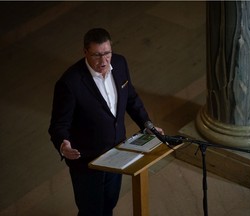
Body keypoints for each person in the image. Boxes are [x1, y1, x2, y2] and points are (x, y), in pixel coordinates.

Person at [48, 28, 164, 216]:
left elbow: (131, 99)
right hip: (86, 161)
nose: (103, 61)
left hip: (117, 153)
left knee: (109, 205)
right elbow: (58, 124)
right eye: (97, 55)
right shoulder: (70, 83)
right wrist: (63, 144)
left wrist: (147, 125)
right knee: (90, 211)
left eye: (107, 53)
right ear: (85, 52)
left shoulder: (120, 63)